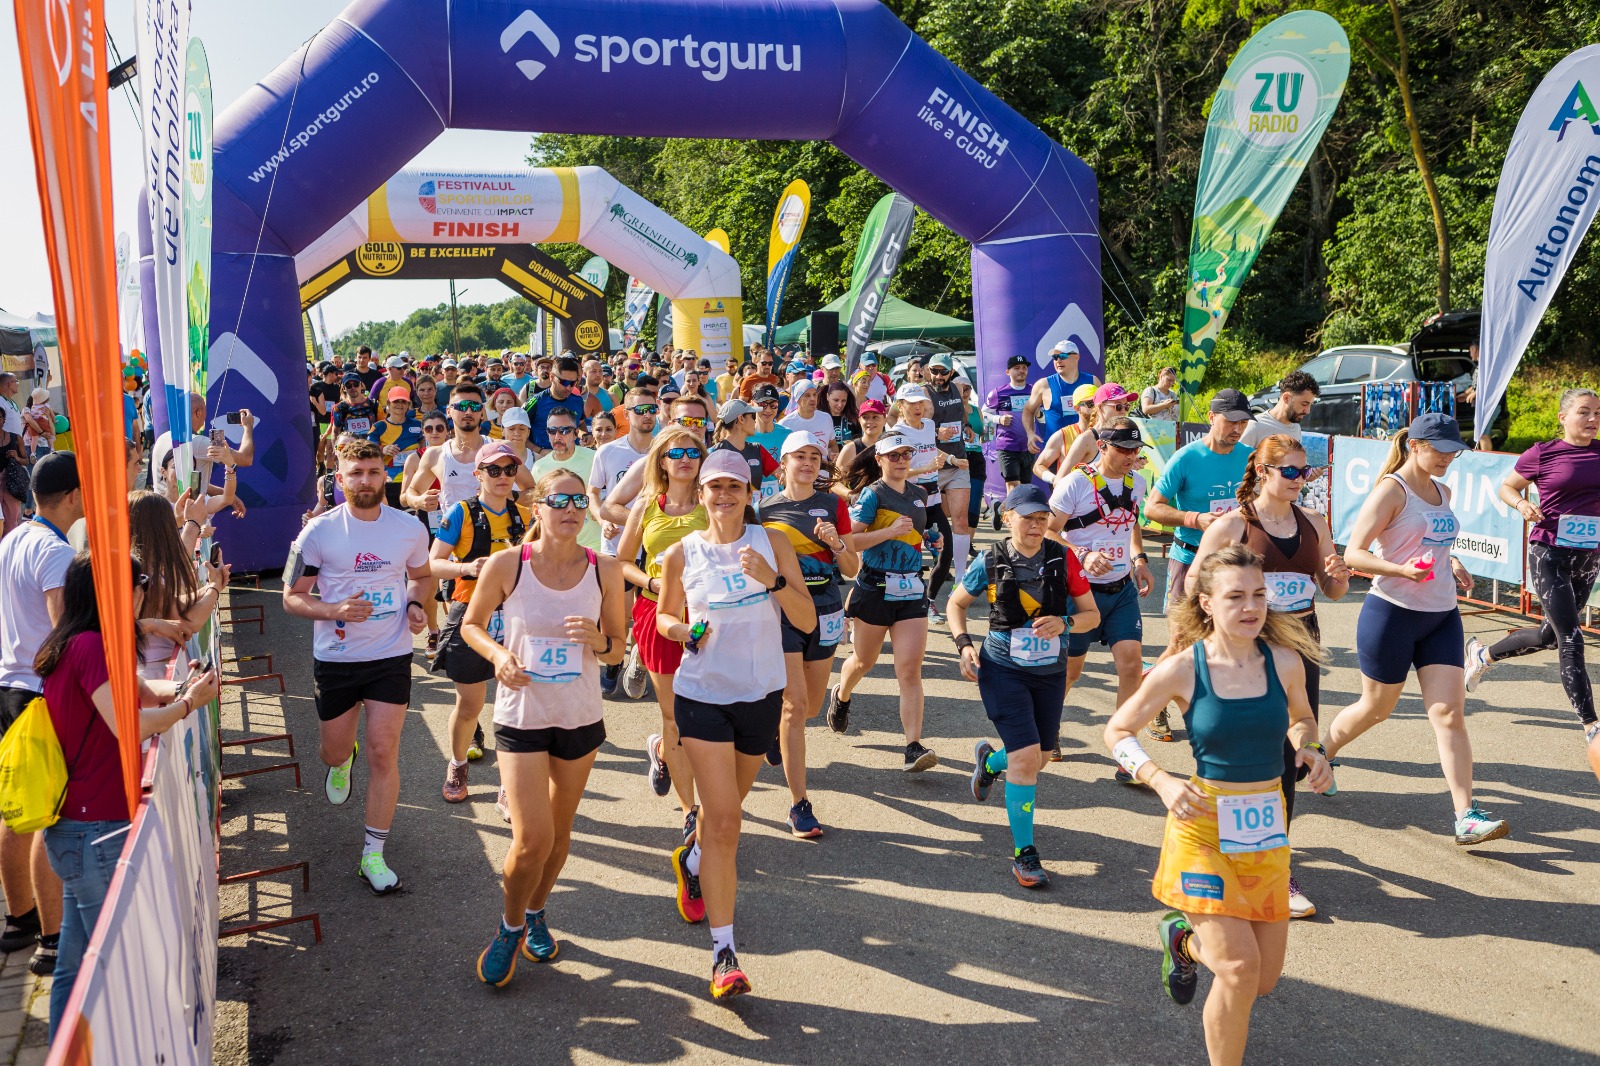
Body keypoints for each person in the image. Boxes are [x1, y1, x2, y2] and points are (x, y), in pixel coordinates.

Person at [1103, 545, 1331, 1066]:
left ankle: (1183, 942)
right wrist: (1159, 780)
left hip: (1266, 827)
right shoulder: (1183, 669)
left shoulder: (1285, 661)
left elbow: (1302, 720)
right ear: (1206, 603)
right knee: (1237, 970)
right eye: (1235, 596)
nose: (1251, 607)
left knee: (1263, 979)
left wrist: (1311, 749)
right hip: (1202, 826)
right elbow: (1117, 730)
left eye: (1258, 595)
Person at [654, 449, 814, 998]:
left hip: (760, 694)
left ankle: (694, 860)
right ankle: (725, 955)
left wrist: (773, 581)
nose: (723, 496)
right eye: (714, 487)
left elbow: (806, 620)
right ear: (700, 494)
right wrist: (681, 632)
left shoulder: (774, 543)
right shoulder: (681, 553)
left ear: (749, 494)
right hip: (701, 695)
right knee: (726, 822)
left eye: (734, 487)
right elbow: (665, 614)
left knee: (724, 815)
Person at [38, 554, 219, 1037]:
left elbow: (142, 691)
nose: (144, 593)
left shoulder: (78, 641)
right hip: (94, 829)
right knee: (123, 966)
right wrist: (188, 704)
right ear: (119, 592)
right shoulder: (91, 646)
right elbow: (130, 725)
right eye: (141, 583)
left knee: (75, 965)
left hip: (78, 828)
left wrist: (182, 686)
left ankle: (63, 1049)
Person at [464, 467, 625, 984]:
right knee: (532, 838)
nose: (570, 510)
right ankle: (510, 925)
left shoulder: (605, 569)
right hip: (523, 714)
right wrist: (498, 656)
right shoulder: (508, 563)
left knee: (557, 834)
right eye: (559, 500)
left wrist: (598, 642)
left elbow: (617, 649)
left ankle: (536, 911)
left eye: (578, 501)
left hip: (579, 715)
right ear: (537, 508)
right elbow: (471, 624)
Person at [1323, 413, 1510, 846]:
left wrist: (1453, 561)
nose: (1447, 458)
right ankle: (1320, 753)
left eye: (1453, 452)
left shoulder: (1443, 491)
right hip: (1393, 613)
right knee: (1376, 708)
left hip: (1442, 615)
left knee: (1449, 713)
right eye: (1439, 450)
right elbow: (1354, 553)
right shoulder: (1392, 490)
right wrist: (1401, 570)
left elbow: (1435, 543)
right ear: (1415, 446)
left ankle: (1465, 816)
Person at [1185, 433, 1351, 919]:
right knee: (1253, 756)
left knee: (1293, 755)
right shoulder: (1234, 525)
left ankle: (1267, 856)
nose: (1300, 480)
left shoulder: (1314, 522)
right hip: (1247, 652)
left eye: (1305, 472)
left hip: (1301, 649)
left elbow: (1332, 590)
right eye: (1291, 471)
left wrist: (1338, 576)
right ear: (1263, 471)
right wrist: (1196, 648)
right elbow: (1195, 584)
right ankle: (1259, 861)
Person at [283, 437, 432, 894]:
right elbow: (291, 597)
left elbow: (422, 576)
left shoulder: (408, 528)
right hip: (338, 659)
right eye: (355, 474)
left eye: (372, 472)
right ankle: (340, 761)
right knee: (333, 751)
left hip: (390, 656)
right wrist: (334, 610)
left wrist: (415, 604)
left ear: (385, 475)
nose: (365, 481)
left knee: (384, 752)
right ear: (340, 478)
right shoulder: (318, 532)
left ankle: (373, 854)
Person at [953, 485, 1098, 887]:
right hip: (1003, 669)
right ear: (1007, 518)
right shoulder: (990, 558)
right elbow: (956, 603)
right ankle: (1025, 853)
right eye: (1027, 518)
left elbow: (1091, 615)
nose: (1036, 525)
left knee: (1041, 757)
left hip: (1049, 671)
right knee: (1025, 759)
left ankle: (989, 763)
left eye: (1042, 518)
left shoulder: (1063, 558)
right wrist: (964, 645)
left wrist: (1065, 623)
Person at [1466, 388, 1600, 776]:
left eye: (1597, 413)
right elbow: (1506, 486)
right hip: (1549, 555)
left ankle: (1483, 656)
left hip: (1588, 558)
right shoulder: (1544, 453)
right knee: (1571, 637)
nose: (1593, 419)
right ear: (1563, 417)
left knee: (1550, 636)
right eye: (1584, 412)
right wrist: (1522, 503)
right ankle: (1591, 726)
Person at [0, 454, 81, 977]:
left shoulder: (11, 540)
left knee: (16, 811)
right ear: (73, 496)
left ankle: (19, 920)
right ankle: (52, 941)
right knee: (51, 817)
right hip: (38, 693)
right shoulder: (55, 550)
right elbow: (62, 632)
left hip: (9, 685)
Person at [615, 428, 710, 850]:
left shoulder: (714, 502)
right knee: (676, 717)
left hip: (708, 616)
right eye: (676, 453)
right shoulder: (645, 505)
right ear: (662, 462)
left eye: (693, 452)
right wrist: (653, 583)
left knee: (706, 710)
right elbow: (622, 562)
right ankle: (691, 811)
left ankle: (662, 751)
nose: (685, 458)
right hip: (657, 613)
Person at [1143, 388, 1255, 741]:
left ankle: (1223, 715)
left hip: (1232, 565)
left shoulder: (1249, 457)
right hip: (1189, 557)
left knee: (1231, 642)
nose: (1237, 429)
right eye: (1231, 421)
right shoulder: (1186, 458)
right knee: (1181, 642)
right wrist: (1194, 518)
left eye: (1243, 422)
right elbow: (1152, 507)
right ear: (1211, 418)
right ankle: (1154, 701)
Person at [826, 432, 944, 769]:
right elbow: (851, 542)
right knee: (864, 661)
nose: (901, 460)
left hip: (911, 588)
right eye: (894, 455)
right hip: (875, 587)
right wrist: (889, 532)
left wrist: (929, 539)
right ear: (879, 460)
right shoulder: (872, 495)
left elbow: (915, 533)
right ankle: (841, 695)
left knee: (909, 670)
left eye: (906, 454)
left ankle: (913, 747)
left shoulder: (920, 494)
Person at [761, 432, 859, 837]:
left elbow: (851, 568)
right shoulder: (764, 510)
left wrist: (836, 545)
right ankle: (799, 804)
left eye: (814, 457)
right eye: (798, 456)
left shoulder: (834, 504)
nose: (807, 463)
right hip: (782, 611)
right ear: (783, 463)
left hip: (826, 609)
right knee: (794, 706)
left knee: (812, 708)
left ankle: (774, 732)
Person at [1047, 419, 1155, 762]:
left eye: (1135, 450)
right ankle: (1049, 727)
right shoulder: (1075, 483)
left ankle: (1126, 748)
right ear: (1102, 446)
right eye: (1123, 449)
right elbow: (1047, 532)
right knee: (1071, 672)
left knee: (1131, 667)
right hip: (1080, 594)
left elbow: (1131, 523)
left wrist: (1139, 559)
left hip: (1121, 590)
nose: (1130, 456)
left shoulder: (1137, 482)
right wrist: (1083, 554)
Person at [431, 441, 532, 800]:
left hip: (516, 616)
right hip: (472, 615)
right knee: (470, 705)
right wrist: (467, 568)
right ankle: (458, 765)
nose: (503, 476)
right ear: (478, 475)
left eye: (510, 469)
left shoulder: (525, 515)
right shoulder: (460, 512)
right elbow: (433, 563)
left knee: (515, 706)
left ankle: (509, 785)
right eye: (494, 470)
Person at [129, 491, 228, 681]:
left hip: (161, 667)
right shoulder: (141, 572)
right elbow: (189, 623)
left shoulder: (146, 564)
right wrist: (214, 588)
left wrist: (208, 589)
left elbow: (172, 602)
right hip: (156, 674)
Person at [891, 384, 956, 623]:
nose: (918, 407)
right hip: (909, 502)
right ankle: (908, 603)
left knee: (945, 553)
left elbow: (931, 448)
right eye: (912, 403)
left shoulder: (928, 426)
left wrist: (951, 459)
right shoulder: (896, 433)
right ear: (901, 406)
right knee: (910, 556)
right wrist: (925, 468)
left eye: (920, 402)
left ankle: (929, 600)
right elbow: (894, 472)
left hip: (933, 501)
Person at [926, 354, 973, 594]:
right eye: (934, 371)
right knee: (927, 523)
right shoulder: (923, 393)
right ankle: (931, 565)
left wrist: (967, 426)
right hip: (931, 466)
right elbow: (913, 425)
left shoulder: (957, 388)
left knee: (961, 520)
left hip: (957, 465)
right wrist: (936, 431)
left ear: (951, 372)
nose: (938, 376)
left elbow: (961, 413)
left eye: (943, 372)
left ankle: (961, 579)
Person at [531, 409, 600, 550]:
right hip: (557, 549)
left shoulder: (594, 459)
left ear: (575, 433)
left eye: (564, 430)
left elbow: (612, 493)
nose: (557, 436)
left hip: (594, 546)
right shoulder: (539, 468)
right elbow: (537, 510)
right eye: (552, 431)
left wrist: (602, 504)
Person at [1024, 339, 1100, 448]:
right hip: (1056, 451)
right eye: (1055, 357)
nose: (1058, 360)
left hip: (1087, 449)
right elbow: (1028, 410)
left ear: (1077, 357)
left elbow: (1104, 410)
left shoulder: (1093, 381)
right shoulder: (1043, 385)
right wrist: (1030, 433)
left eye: (1063, 356)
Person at [1058, 382, 1137, 476]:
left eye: (1126, 407)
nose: (1123, 411)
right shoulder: (1086, 440)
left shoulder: (1124, 435)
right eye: (1118, 406)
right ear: (1100, 407)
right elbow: (1060, 479)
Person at [984, 355, 1036, 492]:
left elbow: (1043, 416)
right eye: (1016, 368)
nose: (1021, 371)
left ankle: (1013, 506)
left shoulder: (1034, 391)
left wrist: (1040, 415)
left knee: (1026, 488)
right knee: (1013, 486)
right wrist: (998, 419)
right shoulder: (998, 393)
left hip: (1028, 446)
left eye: (1024, 367)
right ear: (1008, 372)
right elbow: (983, 414)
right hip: (1007, 447)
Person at [368, 388, 424, 508]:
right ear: (388, 403)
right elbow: (368, 451)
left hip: (412, 480)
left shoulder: (418, 425)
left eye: (403, 401)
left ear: (408, 404)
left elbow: (424, 447)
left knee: (411, 515)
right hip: (389, 481)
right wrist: (382, 450)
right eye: (396, 401)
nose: (400, 404)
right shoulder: (378, 427)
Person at [1035, 384, 1100, 485]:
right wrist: (1055, 479)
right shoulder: (1062, 436)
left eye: (1099, 404)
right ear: (1077, 408)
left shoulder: (1109, 433)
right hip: (1072, 492)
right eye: (1091, 404)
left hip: (1100, 492)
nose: (1096, 408)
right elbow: (1039, 466)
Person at [1240, 371, 1319, 448]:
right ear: (1286, 398)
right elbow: (1237, 455)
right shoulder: (1255, 426)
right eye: (1304, 404)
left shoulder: (1296, 427)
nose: (1308, 411)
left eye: (1310, 404)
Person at [525, 357, 587, 456]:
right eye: (564, 382)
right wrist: (539, 451)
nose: (568, 387)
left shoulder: (578, 401)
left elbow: (580, 423)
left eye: (573, 383)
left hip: (572, 457)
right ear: (552, 377)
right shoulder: (536, 402)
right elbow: (518, 433)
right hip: (543, 458)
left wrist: (585, 435)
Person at [779, 379, 833, 446]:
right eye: (807, 395)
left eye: (814, 394)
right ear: (798, 399)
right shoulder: (785, 424)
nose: (813, 398)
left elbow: (832, 445)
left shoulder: (826, 418)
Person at [824, 381, 861, 453]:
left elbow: (859, 442)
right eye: (836, 400)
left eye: (843, 401)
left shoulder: (853, 418)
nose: (840, 405)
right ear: (827, 397)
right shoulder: (821, 418)